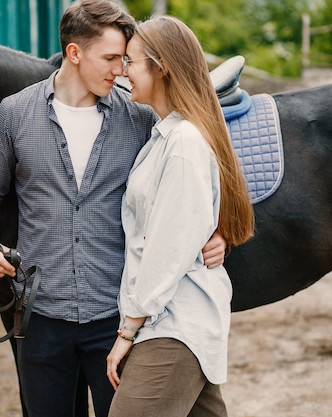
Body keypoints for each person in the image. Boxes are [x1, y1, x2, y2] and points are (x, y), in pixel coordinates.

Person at [0, 2, 227, 416]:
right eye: (110, 58)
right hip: (39, 315)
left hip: (116, 317)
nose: (121, 69)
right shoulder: (14, 114)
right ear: (74, 53)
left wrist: (216, 230)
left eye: (125, 59)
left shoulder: (142, 119)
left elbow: (187, 187)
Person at [106, 15, 255, 417]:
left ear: (161, 66)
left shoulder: (184, 142)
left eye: (130, 61)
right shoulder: (166, 136)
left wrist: (128, 331)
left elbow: (167, 249)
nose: (123, 72)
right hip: (172, 322)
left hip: (172, 325)